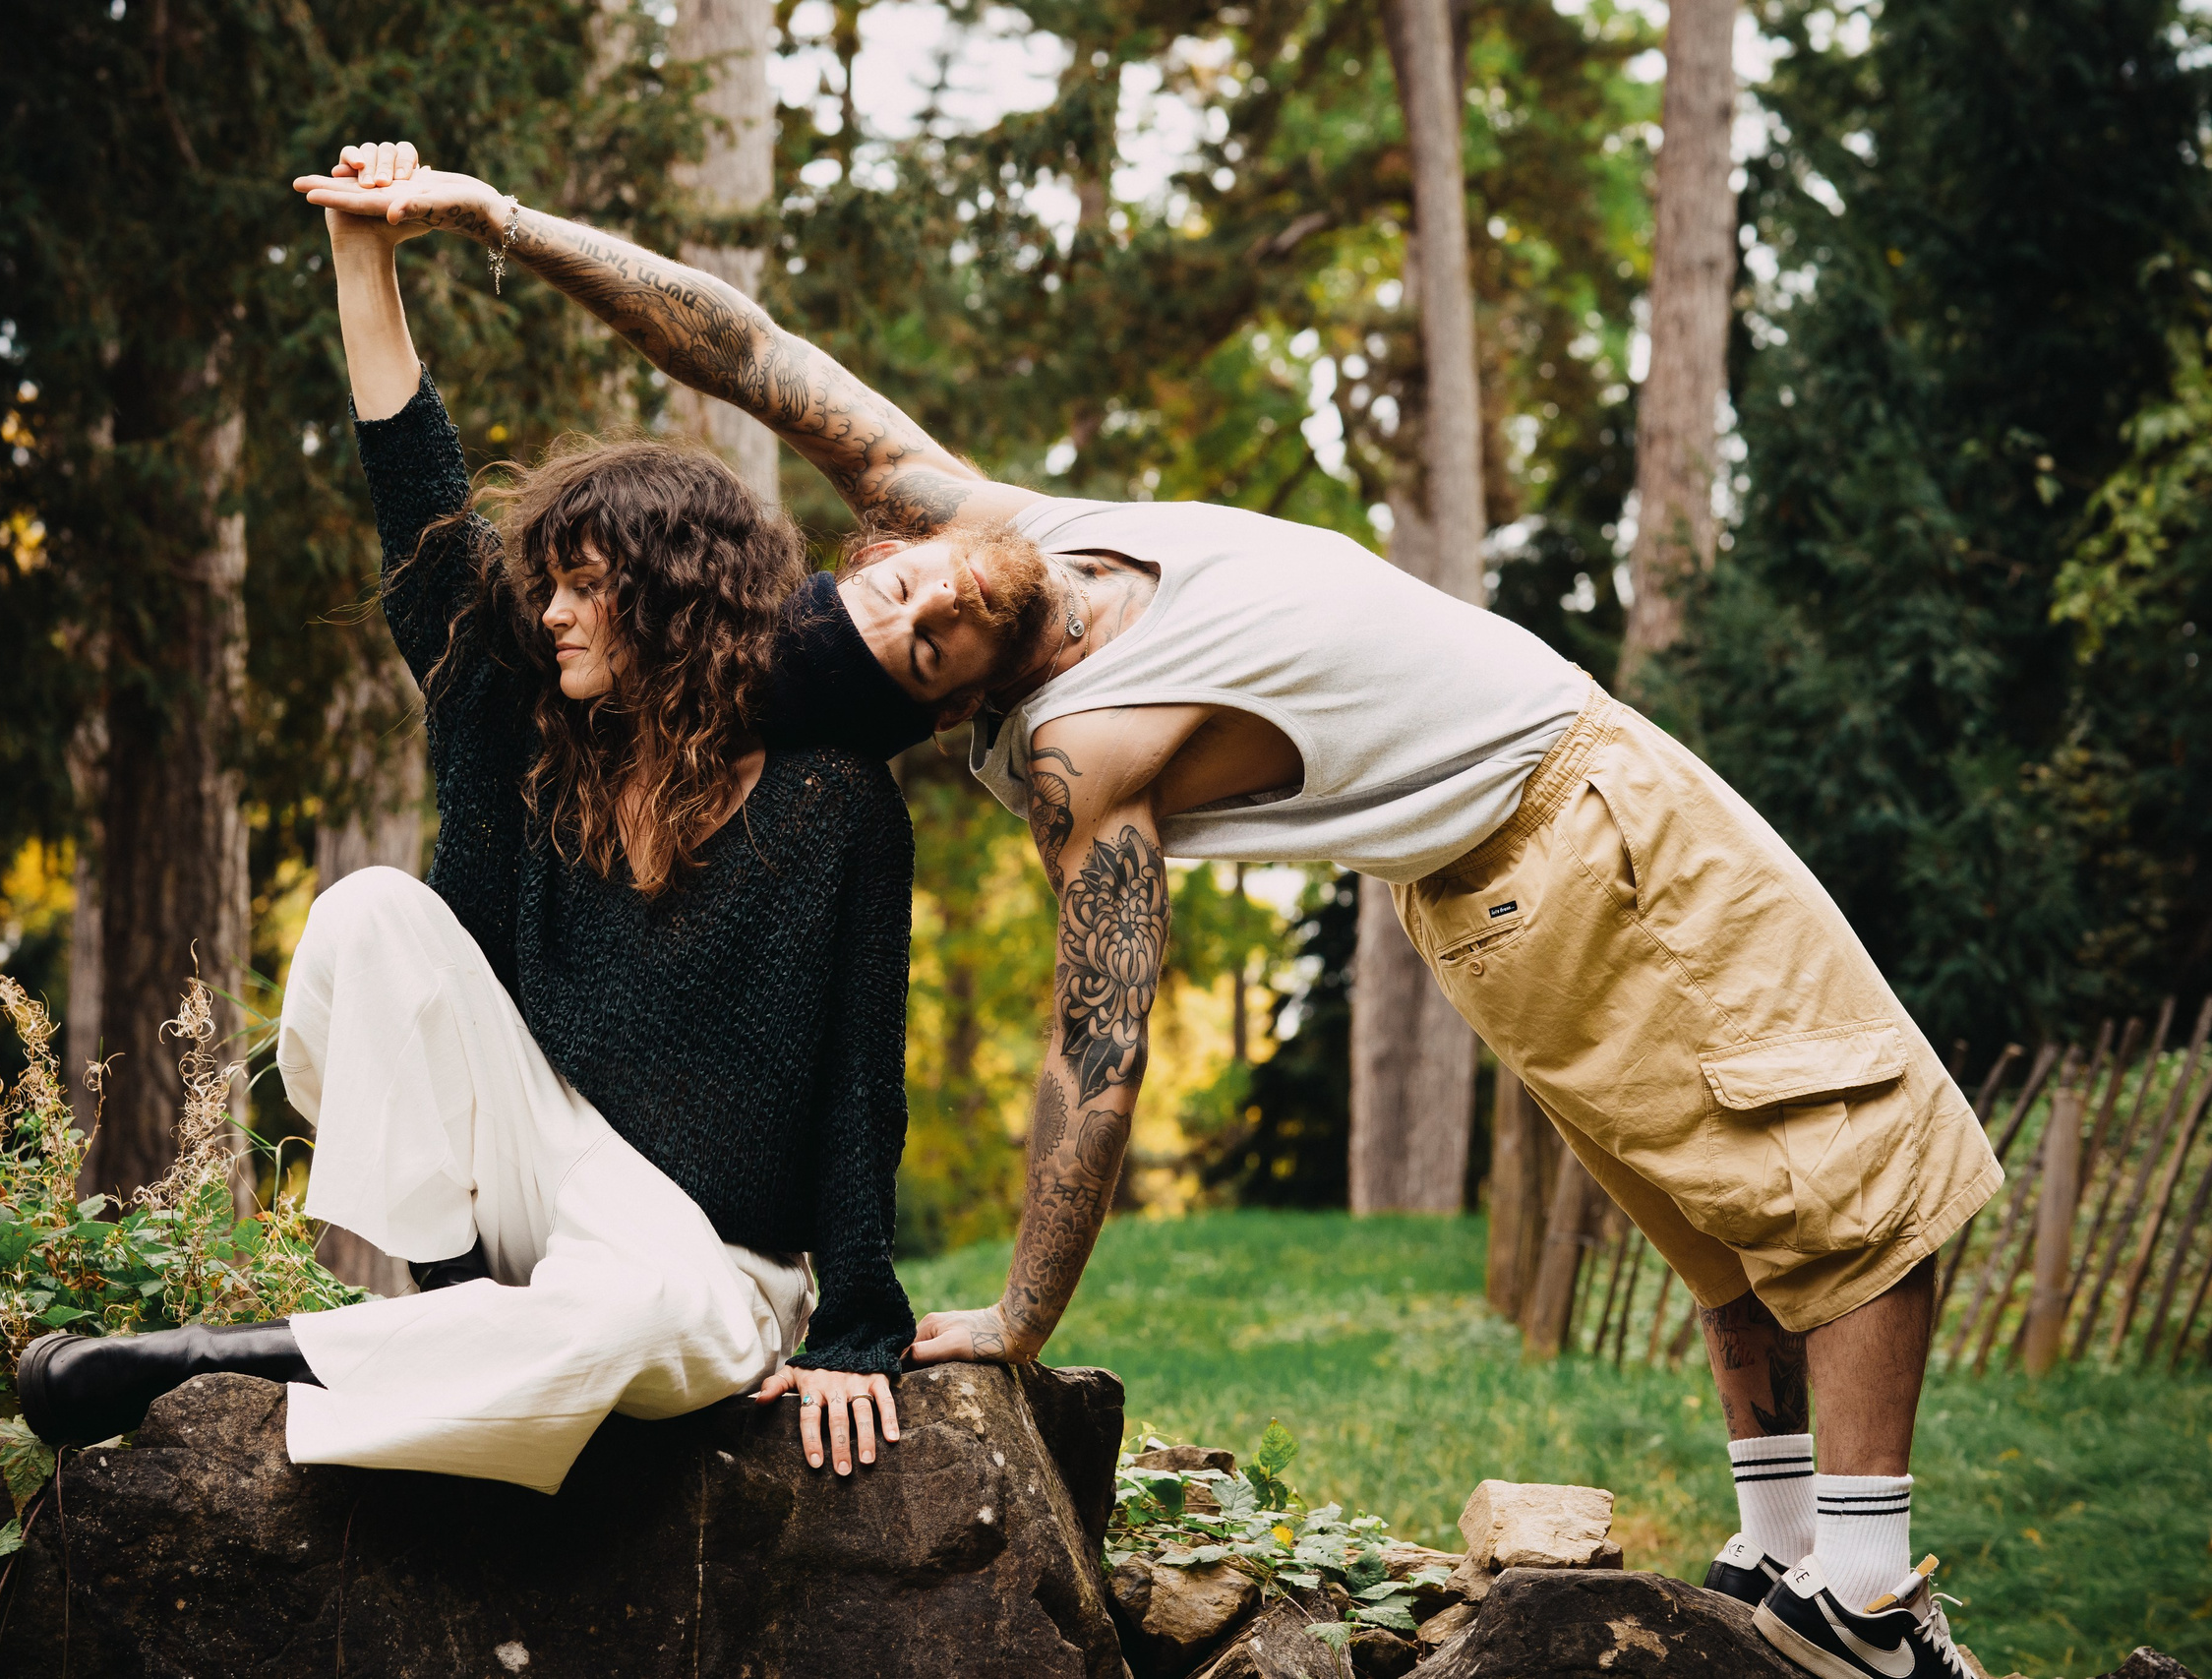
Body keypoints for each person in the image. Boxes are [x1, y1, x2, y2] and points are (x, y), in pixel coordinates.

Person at [298, 142, 2002, 1678]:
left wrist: (496, 222)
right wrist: (1023, 1315)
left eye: (895, 581)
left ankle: (1780, 1564)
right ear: (946, 704)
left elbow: (737, 345)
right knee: (1862, 1174)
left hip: (1504, 862)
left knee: (1730, 1216)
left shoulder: (987, 519)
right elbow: (1097, 1055)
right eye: (919, 643)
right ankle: (1862, 1605)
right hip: (1571, 816)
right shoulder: (1076, 751)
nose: (925, 594)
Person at [15, 157, 929, 1492]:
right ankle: (445, 1308)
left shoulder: (836, 803)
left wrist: (855, 1325)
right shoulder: (527, 730)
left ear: (676, 597)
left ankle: (268, 1355)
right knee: (372, 913)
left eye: (584, 586)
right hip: (531, 1161)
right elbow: (418, 494)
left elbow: (861, 1086)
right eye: (546, 585)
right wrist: (362, 252)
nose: (551, 611)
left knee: (641, 1325)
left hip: (698, 1258)